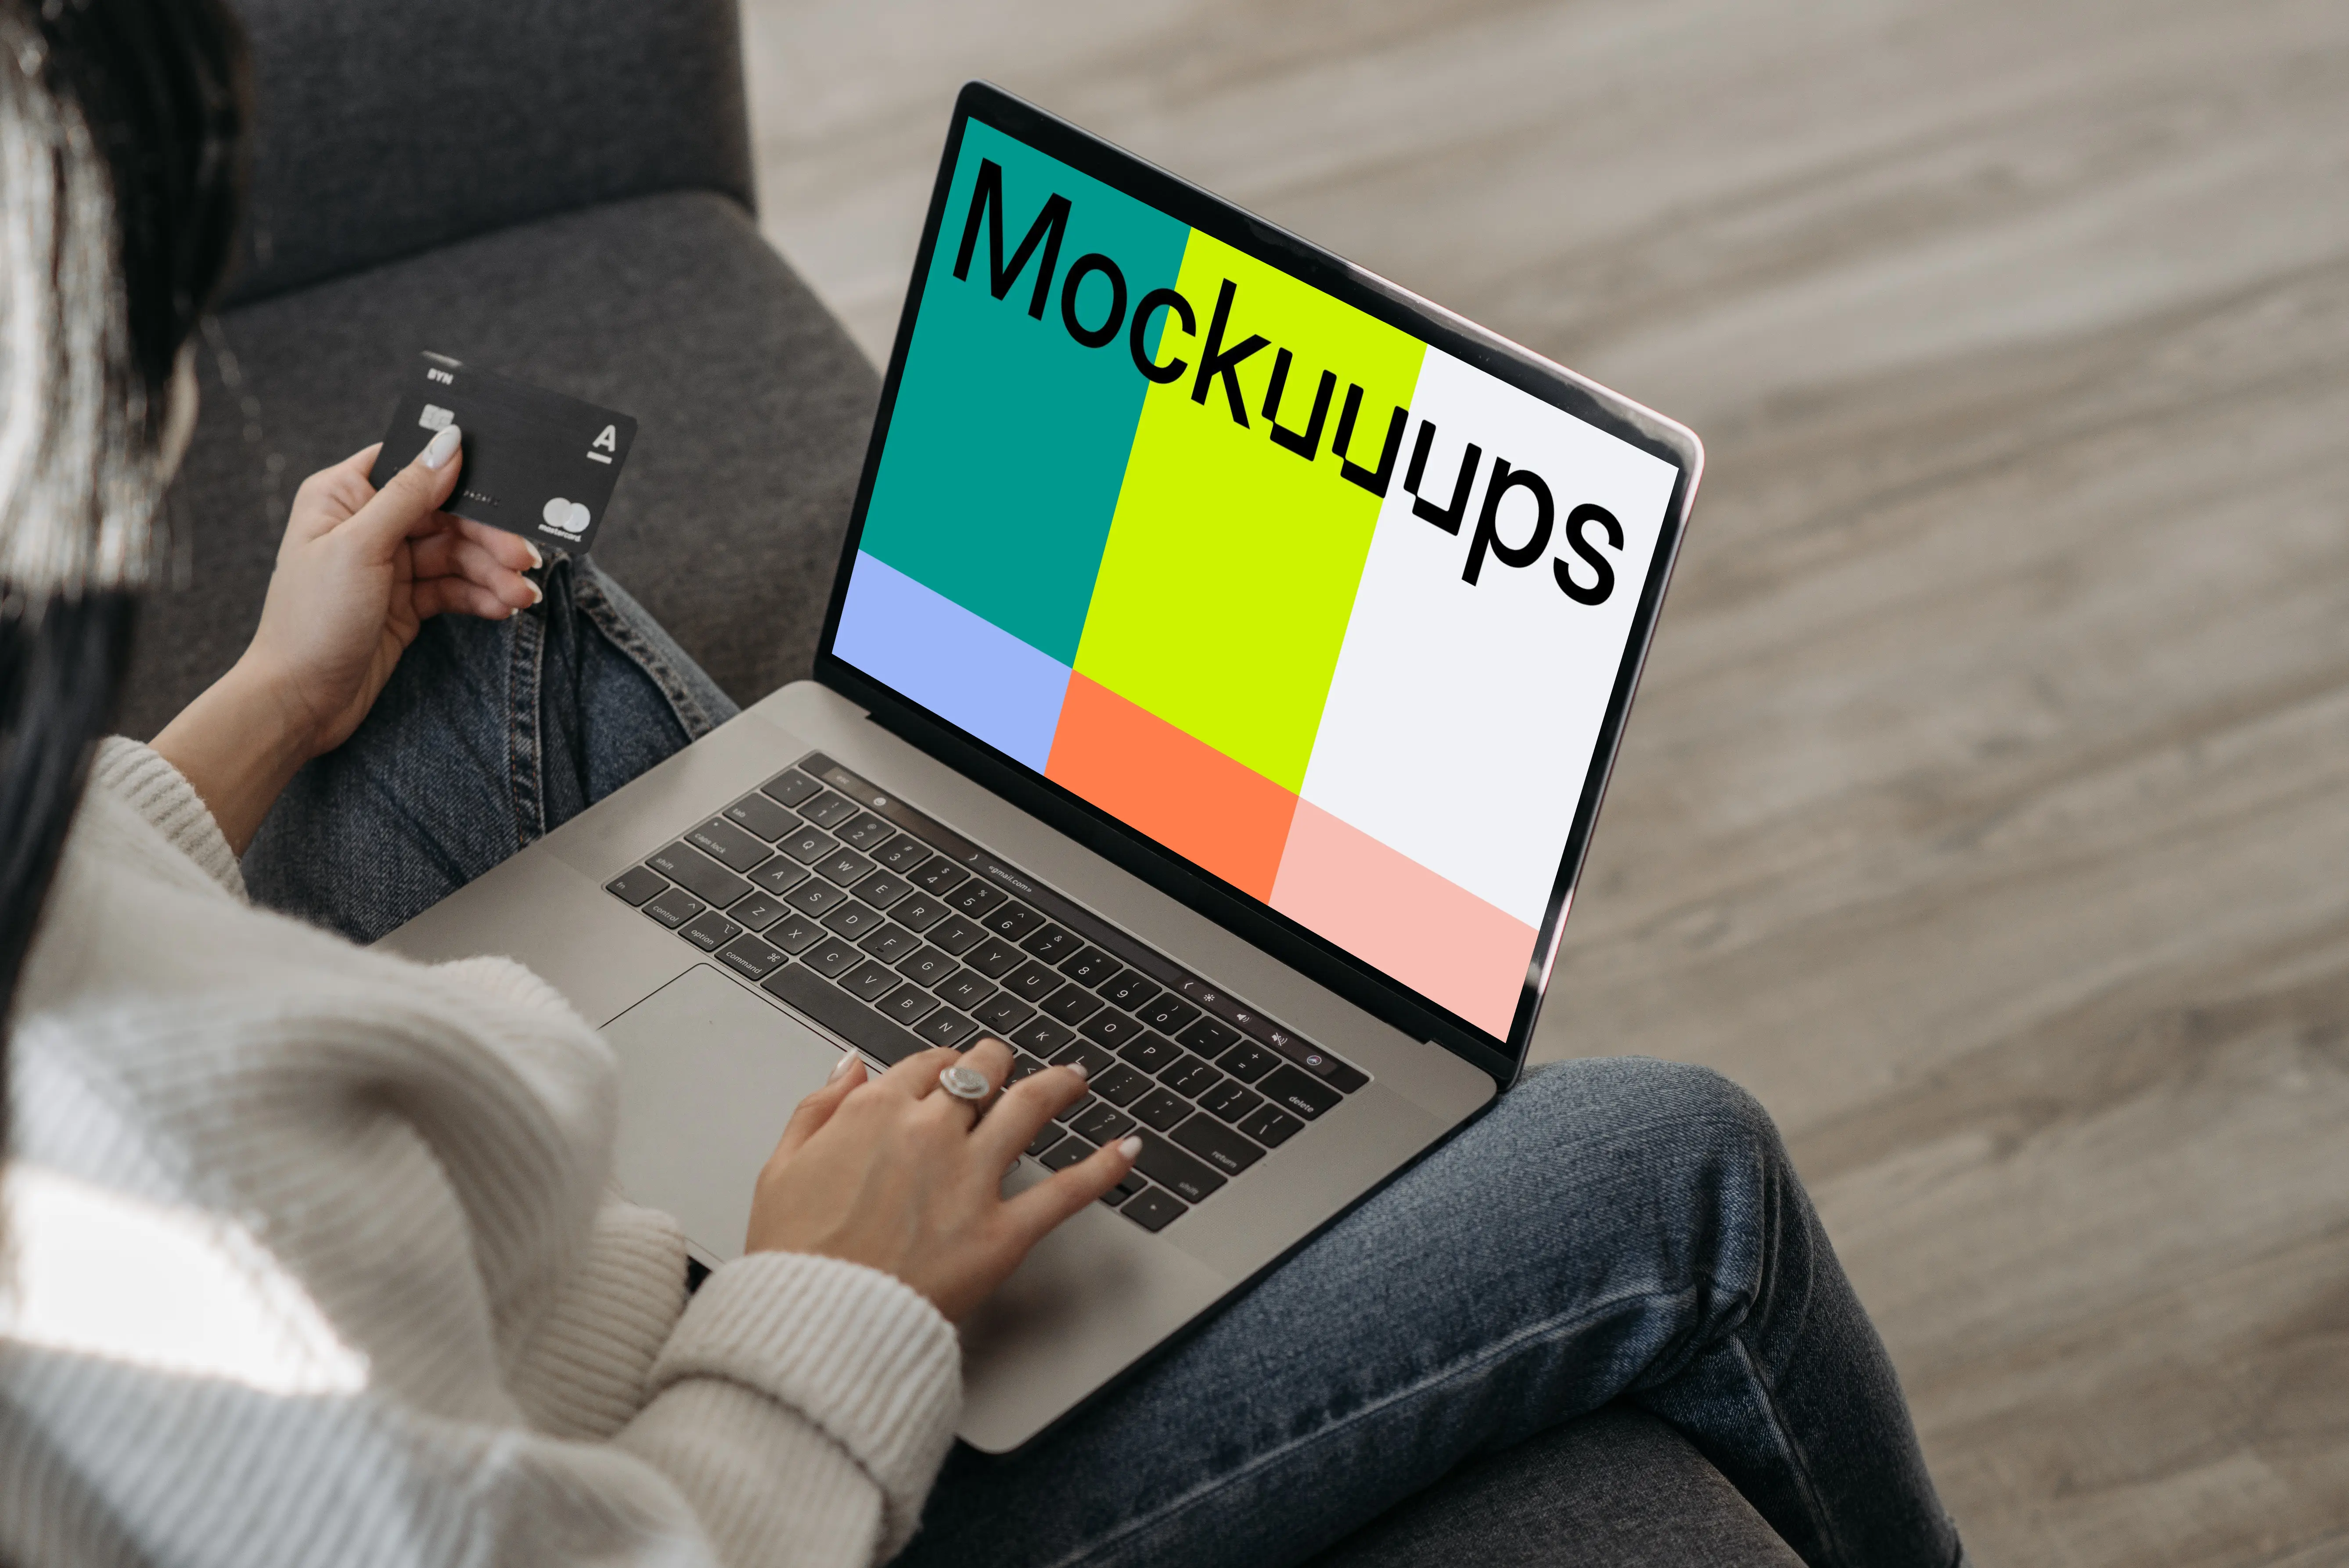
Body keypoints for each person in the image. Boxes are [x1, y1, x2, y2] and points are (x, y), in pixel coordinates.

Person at [0, 4, 1967, 1566]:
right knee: (1677, 1161)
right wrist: (825, 1297)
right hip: (708, 1445)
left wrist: (260, 702)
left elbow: (57, 914)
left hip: (513, 1271)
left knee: (474, 638)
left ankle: (890, 921)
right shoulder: (143, 1213)